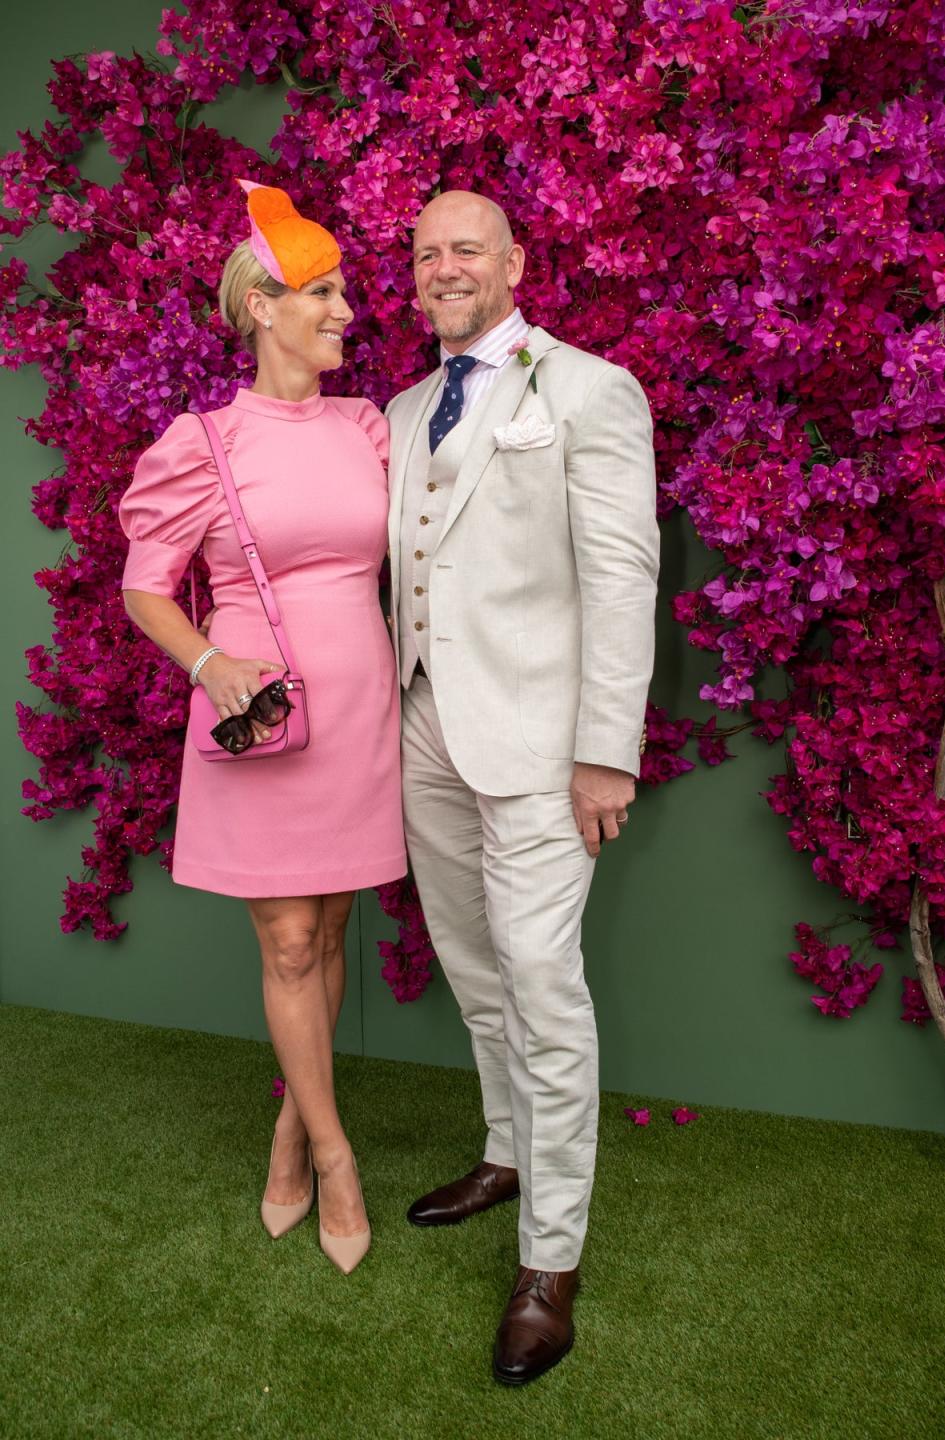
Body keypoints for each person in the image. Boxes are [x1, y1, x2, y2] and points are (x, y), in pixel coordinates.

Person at [386, 190, 659, 1381]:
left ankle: (551, 1260)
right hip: (424, 728)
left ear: (514, 262)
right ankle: (506, 1153)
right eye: (427, 252)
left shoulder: (590, 389)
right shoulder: (400, 409)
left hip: (546, 748)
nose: (446, 267)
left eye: (467, 249)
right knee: (471, 959)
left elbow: (623, 577)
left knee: (544, 984)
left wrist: (606, 749)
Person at [120, 180, 405, 1275]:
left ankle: (290, 1123)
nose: (344, 311)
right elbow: (148, 590)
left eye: (342, 292)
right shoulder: (202, 442)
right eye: (321, 293)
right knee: (288, 940)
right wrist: (209, 661)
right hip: (262, 716)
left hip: (360, 712)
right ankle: (335, 1156)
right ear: (261, 306)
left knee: (328, 938)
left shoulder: (368, 427)